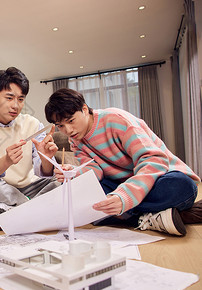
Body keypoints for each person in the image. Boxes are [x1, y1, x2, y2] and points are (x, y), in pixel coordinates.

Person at [45, 88, 201, 236]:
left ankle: (129, 216)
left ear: (84, 109)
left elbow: (154, 161)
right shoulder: (75, 141)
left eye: (71, 121)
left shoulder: (116, 120)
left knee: (183, 186)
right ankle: (151, 217)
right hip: (122, 185)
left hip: (159, 178)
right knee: (85, 192)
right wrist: (73, 171)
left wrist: (125, 197)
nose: (68, 130)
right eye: (61, 126)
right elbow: (95, 171)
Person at [0, 67, 60, 207]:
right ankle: (33, 206)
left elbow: (43, 172)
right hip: (0, 187)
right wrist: (7, 161)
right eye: (9, 98)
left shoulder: (33, 124)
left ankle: (19, 207)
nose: (16, 106)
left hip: (31, 186)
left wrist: (46, 159)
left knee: (59, 182)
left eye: (21, 99)